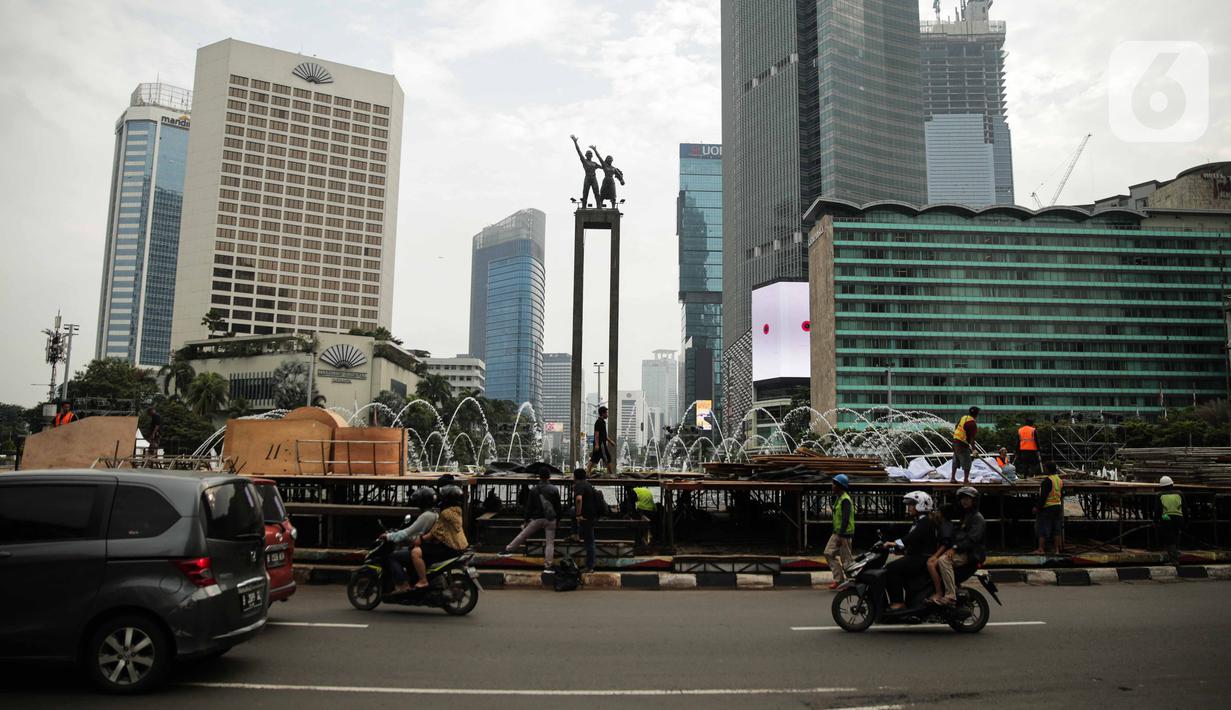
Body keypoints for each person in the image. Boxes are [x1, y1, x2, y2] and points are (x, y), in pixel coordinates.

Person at [883, 491, 940, 610]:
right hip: (917, 555)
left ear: (920, 505)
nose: (909, 508)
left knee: (891, 568)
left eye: (911, 505)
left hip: (922, 557)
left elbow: (911, 538)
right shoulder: (919, 521)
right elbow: (913, 541)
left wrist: (893, 543)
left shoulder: (926, 522)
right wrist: (896, 548)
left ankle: (898, 602)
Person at [929, 487, 987, 605]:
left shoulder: (977, 518)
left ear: (974, 500)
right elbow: (957, 536)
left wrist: (954, 548)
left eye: (967, 498)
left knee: (944, 560)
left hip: (972, 554)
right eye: (962, 498)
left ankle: (950, 595)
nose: (964, 501)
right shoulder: (966, 516)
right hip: (963, 551)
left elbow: (972, 540)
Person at [408, 484, 469, 590]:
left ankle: (423, 580)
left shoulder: (446, 513)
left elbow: (436, 532)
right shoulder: (457, 511)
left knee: (416, 552)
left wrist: (421, 539)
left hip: (450, 548)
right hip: (459, 546)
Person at [381, 487, 439, 594]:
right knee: (403, 550)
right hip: (426, 545)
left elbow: (408, 532)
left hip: (423, 547)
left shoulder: (426, 516)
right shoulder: (434, 514)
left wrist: (389, 536)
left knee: (392, 557)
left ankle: (403, 584)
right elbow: (416, 533)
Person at [499, 470, 562, 568]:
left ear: (539, 477)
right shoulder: (554, 489)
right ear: (549, 477)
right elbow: (558, 507)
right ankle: (548, 564)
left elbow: (529, 507)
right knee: (550, 543)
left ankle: (508, 549)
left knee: (523, 534)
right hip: (550, 520)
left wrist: (526, 519)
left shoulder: (534, 490)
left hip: (537, 519)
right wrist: (558, 520)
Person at [825, 474, 856, 590]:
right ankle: (839, 580)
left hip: (844, 534)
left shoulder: (845, 500)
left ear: (840, 486)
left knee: (846, 560)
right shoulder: (839, 498)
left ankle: (851, 582)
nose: (832, 486)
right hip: (837, 532)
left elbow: (845, 519)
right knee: (828, 553)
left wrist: (840, 536)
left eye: (834, 484)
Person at [1031, 461, 1064, 555]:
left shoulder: (1047, 481)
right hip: (1057, 506)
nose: (1044, 469)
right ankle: (1057, 550)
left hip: (1047, 507)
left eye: (1045, 468)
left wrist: (1037, 507)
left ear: (1048, 469)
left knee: (1043, 528)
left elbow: (1043, 497)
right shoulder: (1059, 480)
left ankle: (1041, 549)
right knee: (1057, 529)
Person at [572, 468, 599, 572]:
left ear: (575, 477)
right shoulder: (588, 484)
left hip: (586, 517)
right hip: (591, 515)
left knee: (589, 542)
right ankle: (576, 533)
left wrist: (578, 515)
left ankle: (590, 566)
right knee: (572, 511)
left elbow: (579, 499)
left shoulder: (579, 485)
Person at [1157, 475, 1184, 566]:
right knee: (1176, 536)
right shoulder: (1179, 493)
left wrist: (1156, 521)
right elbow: (1185, 507)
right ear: (1172, 484)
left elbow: (1158, 510)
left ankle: (1174, 560)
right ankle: (1176, 555)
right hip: (1179, 517)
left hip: (1167, 517)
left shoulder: (1160, 495)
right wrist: (1186, 521)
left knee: (1169, 539)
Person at [571, 135, 602, 207]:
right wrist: (575, 142)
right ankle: (583, 206)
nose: (589, 155)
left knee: (597, 193)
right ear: (586, 155)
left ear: (592, 155)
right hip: (587, 178)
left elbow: (603, 167)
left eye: (591, 154)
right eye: (588, 154)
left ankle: (599, 206)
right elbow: (579, 152)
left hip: (594, 178)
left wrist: (595, 150)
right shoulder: (584, 161)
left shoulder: (594, 163)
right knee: (585, 193)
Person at [950, 406, 980, 483]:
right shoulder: (972, 424)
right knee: (967, 461)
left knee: (955, 460)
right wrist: (974, 449)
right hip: (962, 444)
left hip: (955, 441)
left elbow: (956, 426)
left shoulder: (964, 417)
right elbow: (972, 438)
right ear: (977, 414)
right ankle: (966, 479)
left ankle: (952, 478)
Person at [586, 406, 615, 476]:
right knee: (607, 457)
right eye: (606, 413)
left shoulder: (602, 422)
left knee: (594, 459)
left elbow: (604, 435)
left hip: (601, 444)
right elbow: (596, 434)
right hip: (600, 444)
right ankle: (611, 474)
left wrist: (610, 441)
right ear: (603, 413)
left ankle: (587, 473)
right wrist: (596, 444)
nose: (607, 414)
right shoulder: (599, 422)